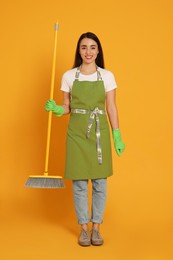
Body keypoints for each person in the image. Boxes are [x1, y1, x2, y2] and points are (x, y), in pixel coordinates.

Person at [45, 32, 125, 246]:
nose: (88, 51)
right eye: (83, 47)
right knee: (79, 183)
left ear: (98, 51)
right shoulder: (69, 76)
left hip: (99, 132)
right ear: (78, 51)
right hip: (76, 134)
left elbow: (111, 106)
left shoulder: (107, 76)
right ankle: (83, 228)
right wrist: (56, 109)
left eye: (92, 47)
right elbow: (67, 108)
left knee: (100, 182)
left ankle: (96, 228)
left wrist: (117, 134)